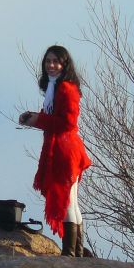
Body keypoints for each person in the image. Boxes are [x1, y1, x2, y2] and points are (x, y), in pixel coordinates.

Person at [19, 45, 92, 256]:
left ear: (64, 64)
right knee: (73, 201)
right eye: (48, 61)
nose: (51, 65)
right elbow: (54, 118)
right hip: (64, 148)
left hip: (65, 151)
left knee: (67, 201)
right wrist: (35, 117)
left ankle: (70, 253)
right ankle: (76, 251)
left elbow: (67, 123)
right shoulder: (55, 87)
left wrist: (38, 120)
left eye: (56, 62)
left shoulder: (66, 89)